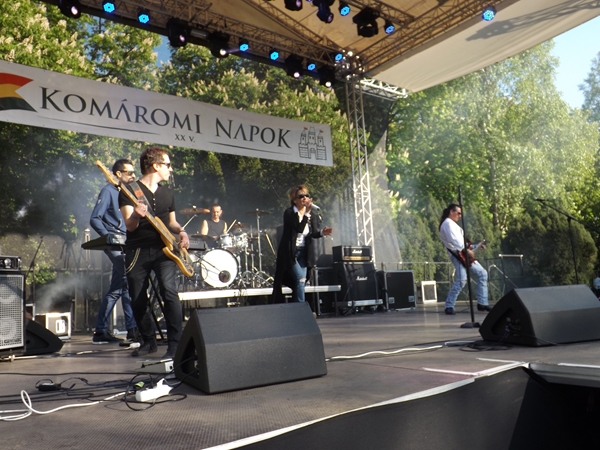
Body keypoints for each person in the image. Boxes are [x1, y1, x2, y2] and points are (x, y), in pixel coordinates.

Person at [119, 147, 190, 359]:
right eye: (167, 165)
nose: (170, 169)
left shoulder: (168, 193)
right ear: (155, 166)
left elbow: (172, 222)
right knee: (137, 296)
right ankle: (148, 341)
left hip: (164, 250)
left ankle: (175, 345)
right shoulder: (129, 190)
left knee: (169, 291)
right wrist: (137, 215)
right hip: (138, 250)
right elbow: (130, 226)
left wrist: (182, 231)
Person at [89, 159, 138, 345]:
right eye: (129, 172)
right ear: (118, 173)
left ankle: (100, 331)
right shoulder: (108, 191)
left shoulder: (127, 193)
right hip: (115, 244)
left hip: (127, 242)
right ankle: (132, 329)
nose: (133, 176)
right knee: (129, 281)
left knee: (116, 289)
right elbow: (95, 218)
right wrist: (108, 237)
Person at [272, 185, 332, 304]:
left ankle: (297, 308)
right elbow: (299, 228)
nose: (304, 198)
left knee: (301, 281)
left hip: (304, 253)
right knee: (300, 278)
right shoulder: (289, 213)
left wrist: (322, 233)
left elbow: (313, 233)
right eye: (301, 196)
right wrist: (307, 214)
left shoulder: (312, 215)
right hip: (290, 253)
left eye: (306, 195)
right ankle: (301, 307)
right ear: (294, 200)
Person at [439, 203, 491, 315]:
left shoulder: (451, 224)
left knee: (482, 274)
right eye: (458, 213)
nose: (460, 216)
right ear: (451, 212)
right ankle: (449, 305)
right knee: (462, 280)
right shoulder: (447, 223)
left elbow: (461, 243)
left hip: (462, 254)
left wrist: (475, 246)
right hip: (458, 255)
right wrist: (466, 250)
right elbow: (455, 241)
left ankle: (482, 303)